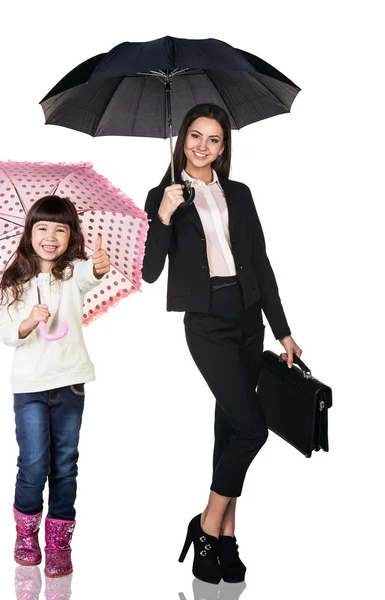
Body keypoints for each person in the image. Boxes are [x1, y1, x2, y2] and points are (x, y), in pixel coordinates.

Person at [142, 103, 302, 585]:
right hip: (207, 323)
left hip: (249, 318)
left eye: (214, 139)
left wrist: (283, 330)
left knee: (230, 432)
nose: (203, 146)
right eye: (195, 136)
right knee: (253, 429)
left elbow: (261, 263)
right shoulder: (162, 194)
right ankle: (207, 527)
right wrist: (165, 217)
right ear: (182, 139)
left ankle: (227, 537)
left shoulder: (240, 192)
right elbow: (149, 272)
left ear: (224, 146)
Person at [0, 195, 110, 578]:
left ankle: (59, 543)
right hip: (29, 386)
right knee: (32, 464)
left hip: (70, 384)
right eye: (42, 227)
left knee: (64, 465)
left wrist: (98, 266)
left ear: (70, 235)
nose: (50, 236)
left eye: (60, 229)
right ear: (29, 233)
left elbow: (89, 277)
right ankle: (26, 536)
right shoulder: (15, 279)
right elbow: (8, 333)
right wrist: (28, 321)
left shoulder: (72, 272)